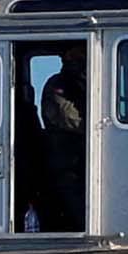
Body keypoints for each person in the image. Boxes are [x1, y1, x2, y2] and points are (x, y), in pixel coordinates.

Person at [41, 45, 87, 231]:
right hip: (66, 159)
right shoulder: (57, 84)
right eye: (76, 53)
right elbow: (67, 117)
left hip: (85, 158)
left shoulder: (88, 81)